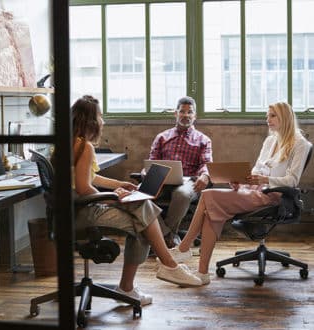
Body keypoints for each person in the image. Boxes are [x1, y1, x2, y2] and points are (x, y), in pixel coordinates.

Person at [72, 95, 204, 305]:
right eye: (100, 116)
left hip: (73, 209)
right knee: (141, 221)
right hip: (84, 211)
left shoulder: (71, 143)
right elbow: (83, 187)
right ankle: (164, 267)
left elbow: (89, 177)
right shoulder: (85, 147)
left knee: (142, 213)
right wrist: (114, 198)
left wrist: (119, 185)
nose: (103, 121)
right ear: (91, 121)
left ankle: (158, 268)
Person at [169, 102, 312, 285]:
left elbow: (292, 180)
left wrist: (263, 180)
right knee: (211, 213)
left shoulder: (301, 144)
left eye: (272, 116)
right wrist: (240, 179)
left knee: (208, 196)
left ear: (285, 117)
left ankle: (184, 248)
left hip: (274, 196)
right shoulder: (270, 141)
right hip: (253, 191)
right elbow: (255, 171)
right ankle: (202, 272)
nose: (267, 120)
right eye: (267, 116)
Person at [148, 96, 212, 248]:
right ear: (175, 114)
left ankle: (164, 235)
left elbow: (206, 163)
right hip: (162, 179)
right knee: (139, 196)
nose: (186, 115)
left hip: (189, 181)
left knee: (182, 194)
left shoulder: (203, 140)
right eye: (182, 111)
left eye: (190, 112)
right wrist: (147, 172)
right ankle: (168, 234)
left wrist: (204, 175)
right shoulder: (162, 137)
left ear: (194, 116)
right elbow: (153, 160)